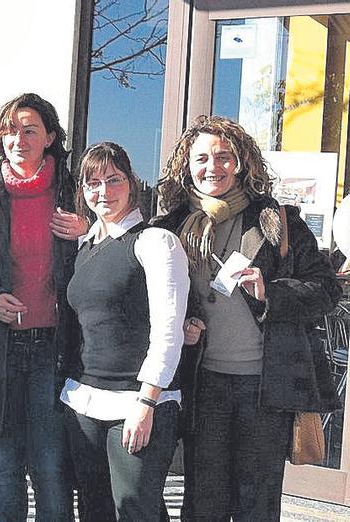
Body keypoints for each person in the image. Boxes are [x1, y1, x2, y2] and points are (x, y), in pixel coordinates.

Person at [152, 115, 341, 520]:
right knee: (204, 502)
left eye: (224, 157)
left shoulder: (277, 221)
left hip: (263, 389)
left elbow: (327, 290)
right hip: (203, 387)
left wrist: (270, 291)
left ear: (242, 163)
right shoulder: (171, 227)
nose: (212, 167)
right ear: (187, 164)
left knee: (257, 504)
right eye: (202, 158)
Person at [0, 93, 89, 521]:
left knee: (50, 464)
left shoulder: (76, 191)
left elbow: (122, 233)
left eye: (29, 130)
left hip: (54, 347)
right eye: (10, 130)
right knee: (4, 466)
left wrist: (90, 227)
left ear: (49, 137)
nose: (19, 139)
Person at [60, 142, 188, 521]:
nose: (103, 192)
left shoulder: (155, 242)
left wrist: (147, 402)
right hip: (83, 400)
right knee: (94, 510)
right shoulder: (85, 247)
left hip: (137, 403)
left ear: (131, 183)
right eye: (93, 183)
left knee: (135, 509)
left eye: (113, 180)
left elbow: (169, 329)